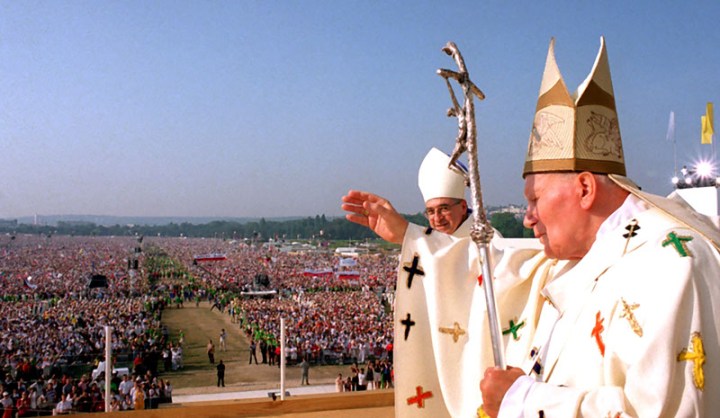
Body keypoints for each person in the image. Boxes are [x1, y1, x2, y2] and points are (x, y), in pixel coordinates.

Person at [344, 37, 720, 417]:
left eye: (535, 200)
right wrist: (411, 237)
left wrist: (521, 401)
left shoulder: (670, 263)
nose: (527, 217)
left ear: (585, 188)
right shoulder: (583, 258)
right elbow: (497, 262)